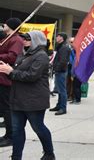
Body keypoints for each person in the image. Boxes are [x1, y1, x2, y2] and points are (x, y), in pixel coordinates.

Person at [0, 31, 55, 160]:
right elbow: (18, 71)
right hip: (18, 98)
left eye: (28, 38)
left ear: (37, 40)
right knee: (17, 130)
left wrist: (11, 72)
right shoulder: (24, 54)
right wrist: (8, 67)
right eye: (23, 37)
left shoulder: (41, 56)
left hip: (33, 100)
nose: (24, 39)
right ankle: (16, 156)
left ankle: (49, 153)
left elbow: (31, 76)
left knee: (38, 127)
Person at [0, 18, 24, 147]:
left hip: (6, 78)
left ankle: (11, 136)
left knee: (7, 108)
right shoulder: (8, 38)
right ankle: (7, 134)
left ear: (10, 26)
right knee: (4, 108)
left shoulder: (16, 40)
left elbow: (12, 57)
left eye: (5, 23)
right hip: (1, 77)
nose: (3, 25)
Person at [49, 33, 70, 116]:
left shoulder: (64, 48)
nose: (56, 38)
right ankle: (59, 106)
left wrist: (56, 69)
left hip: (61, 71)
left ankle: (63, 108)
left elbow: (63, 61)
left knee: (62, 90)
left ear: (62, 38)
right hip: (59, 71)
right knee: (60, 90)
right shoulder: (60, 46)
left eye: (58, 36)